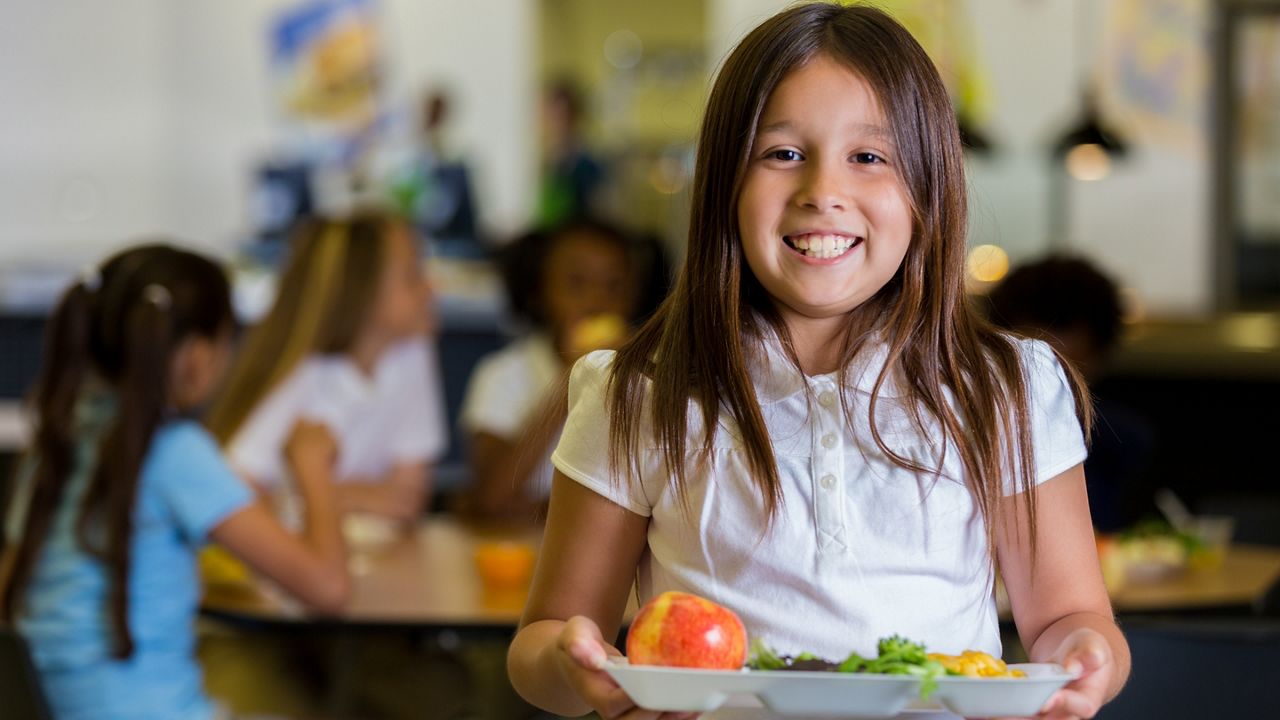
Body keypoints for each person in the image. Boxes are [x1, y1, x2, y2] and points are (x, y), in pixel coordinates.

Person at [506, 5, 1130, 720]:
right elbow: (543, 640)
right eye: (783, 154)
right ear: (724, 186)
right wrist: (573, 664)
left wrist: (1089, 659)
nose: (822, 193)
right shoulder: (640, 391)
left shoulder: (1006, 388)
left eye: (868, 157)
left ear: (928, 187)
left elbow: (1071, 619)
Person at [0, 244, 349, 720]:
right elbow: (329, 590)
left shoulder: (55, 443)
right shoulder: (175, 451)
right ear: (199, 355)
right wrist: (312, 467)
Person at [207, 209, 447, 523]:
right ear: (361, 292)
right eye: (413, 276)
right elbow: (231, 498)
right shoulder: (301, 374)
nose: (432, 288)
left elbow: (407, 498)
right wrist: (350, 494)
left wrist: (311, 494)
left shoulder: (410, 352)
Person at [459, 218, 650, 521]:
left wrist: (537, 508)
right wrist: (572, 378)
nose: (597, 301)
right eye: (576, 283)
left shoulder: (648, 379)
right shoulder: (502, 374)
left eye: (614, 286)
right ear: (540, 293)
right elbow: (491, 500)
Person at [986, 255, 1153, 532]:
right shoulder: (976, 437)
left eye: (1066, 370)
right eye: (1036, 364)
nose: (1048, 386)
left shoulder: (1122, 442)